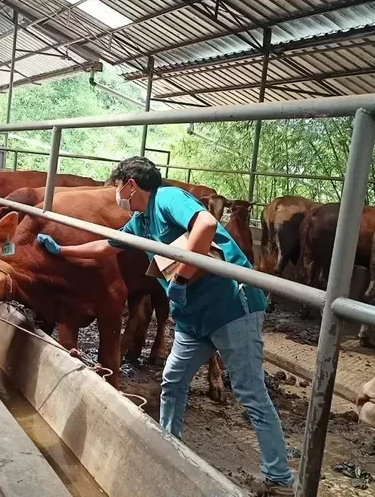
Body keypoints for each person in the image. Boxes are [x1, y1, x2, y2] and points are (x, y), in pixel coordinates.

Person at [36, 157, 296, 495]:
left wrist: (183, 278)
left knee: (250, 393)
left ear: (130, 184)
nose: (115, 194)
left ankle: (280, 480)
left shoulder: (169, 198)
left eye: (116, 186)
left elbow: (204, 226)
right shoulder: (140, 222)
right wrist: (62, 250)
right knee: (172, 382)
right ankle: (167, 447)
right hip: (192, 318)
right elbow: (106, 246)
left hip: (232, 307)